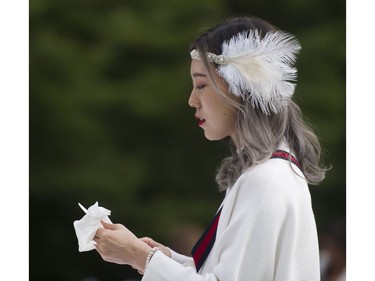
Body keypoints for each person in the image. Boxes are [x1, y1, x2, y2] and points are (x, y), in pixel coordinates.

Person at [93, 16, 328, 280]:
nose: (192, 100)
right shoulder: (269, 172)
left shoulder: (264, 179)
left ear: (241, 88)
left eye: (202, 85)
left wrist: (143, 258)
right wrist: (165, 259)